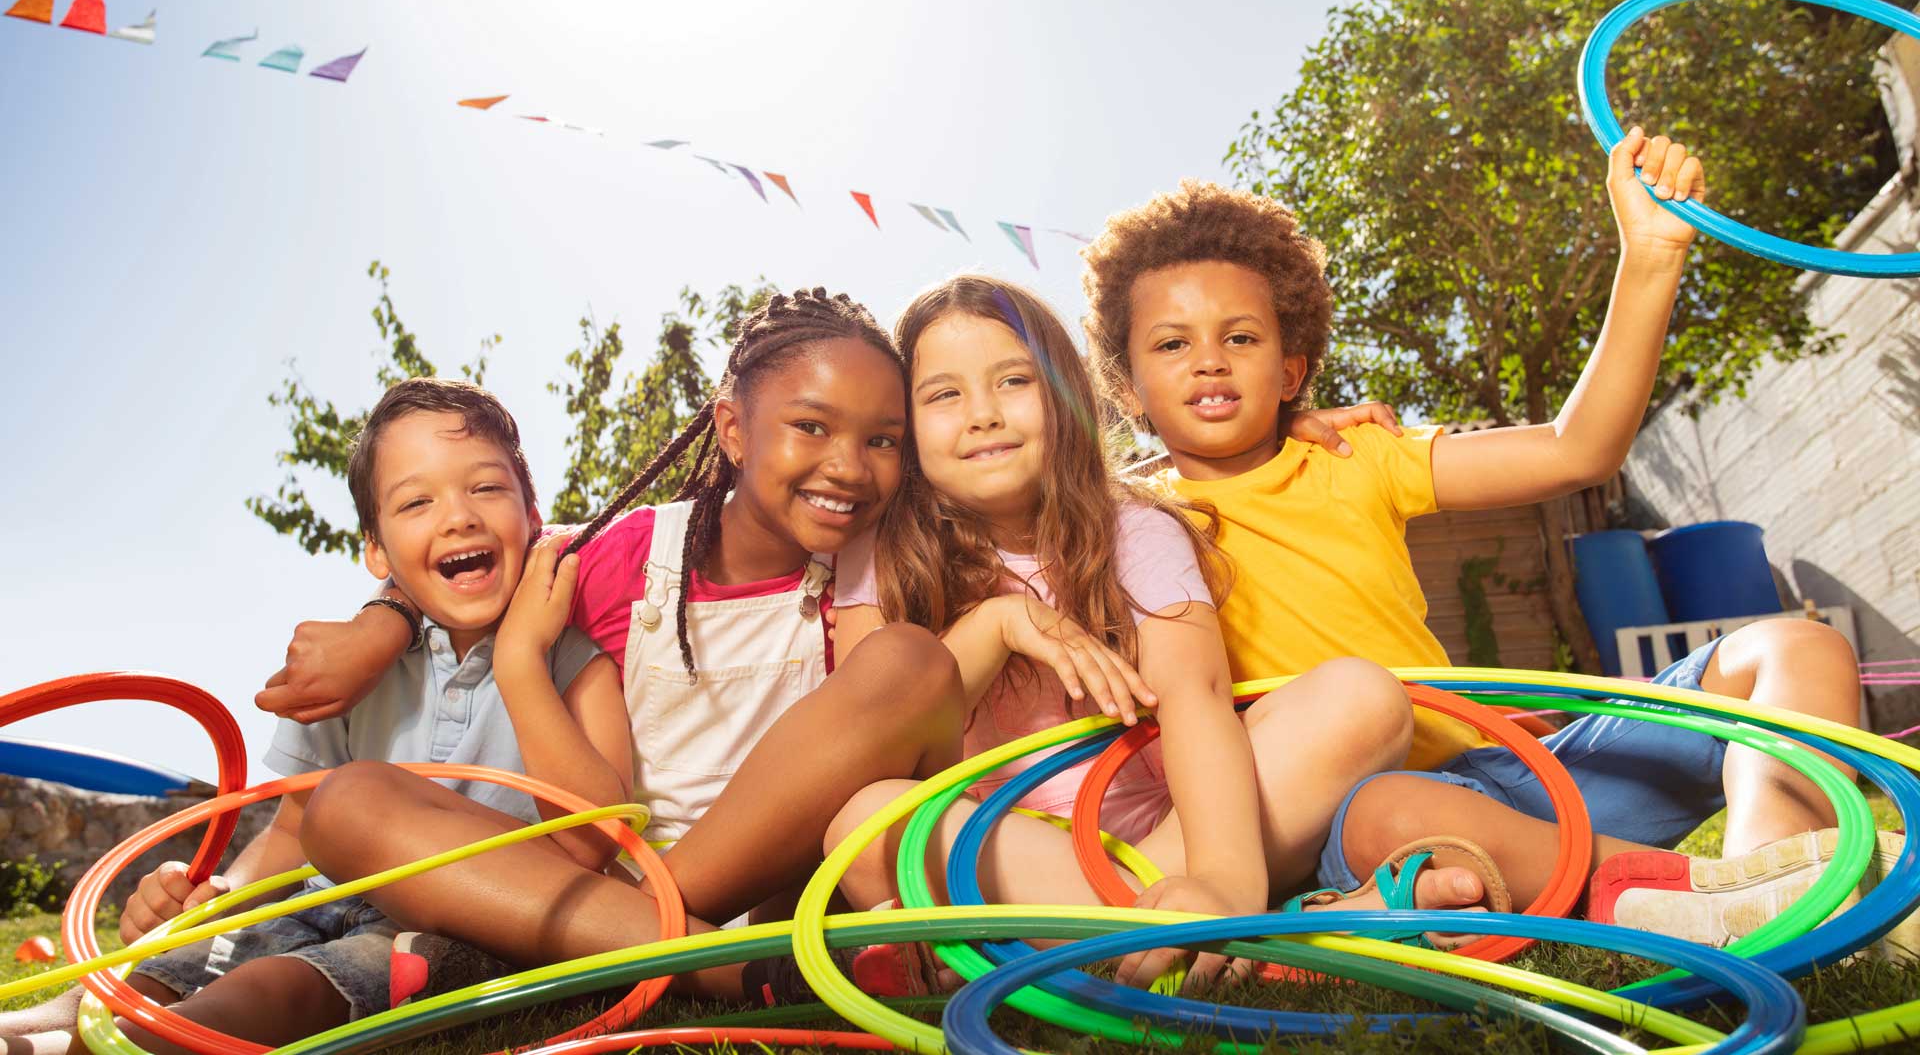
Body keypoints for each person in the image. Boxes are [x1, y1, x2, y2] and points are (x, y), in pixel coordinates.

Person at [1081, 129, 1902, 950]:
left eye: (1242, 338)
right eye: (1171, 344)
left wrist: (1649, 257)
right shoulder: (1128, 520)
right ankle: (1698, 900)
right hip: (1370, 823)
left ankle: (1788, 872)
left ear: (1291, 370)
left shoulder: (1354, 456)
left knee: (1798, 647)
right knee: (1394, 810)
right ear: (1125, 386)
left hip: (1514, 772)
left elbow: (1578, 450)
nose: (1210, 363)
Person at [271, 289, 977, 1006]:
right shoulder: (621, 556)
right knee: (348, 801)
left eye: (882, 440)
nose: (849, 466)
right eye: (810, 426)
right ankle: (717, 963)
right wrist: (381, 620)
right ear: (731, 430)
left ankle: (619, 950)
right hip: (609, 890)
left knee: (911, 661)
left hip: (769, 897)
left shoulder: (891, 563)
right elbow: (474, 565)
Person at [824, 275, 1505, 993]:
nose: (984, 415)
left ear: (1064, 399)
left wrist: (1219, 881)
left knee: (1362, 697)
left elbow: (1197, 700)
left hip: (1171, 838)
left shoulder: (1135, 530)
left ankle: (1169, 926)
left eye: (1014, 380)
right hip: (994, 851)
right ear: (905, 424)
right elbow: (880, 738)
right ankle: (1258, 934)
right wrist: (997, 625)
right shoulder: (877, 552)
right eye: (944, 395)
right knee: (864, 820)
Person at [1, 377, 614, 1053]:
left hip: (458, 926)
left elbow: (597, 838)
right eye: (416, 501)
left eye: (486, 489)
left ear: (534, 513)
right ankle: (38, 1036)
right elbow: (292, 834)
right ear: (376, 551)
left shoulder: (574, 662)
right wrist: (220, 893)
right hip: (319, 900)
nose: (459, 517)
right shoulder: (346, 676)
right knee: (154, 973)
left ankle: (138, 1046)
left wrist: (521, 665)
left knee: (283, 988)